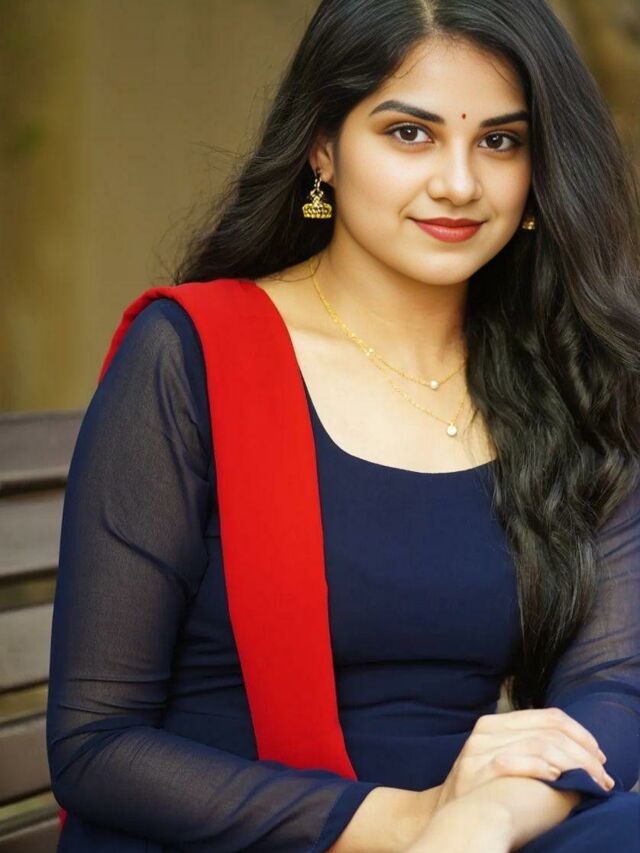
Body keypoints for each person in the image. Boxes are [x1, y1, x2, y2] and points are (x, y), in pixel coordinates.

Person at [46, 0, 640, 850]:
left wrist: (490, 814)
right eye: (409, 133)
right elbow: (95, 743)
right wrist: (417, 819)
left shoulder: (570, 375)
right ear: (323, 146)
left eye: (500, 141)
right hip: (241, 831)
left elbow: (614, 684)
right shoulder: (194, 354)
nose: (459, 183)